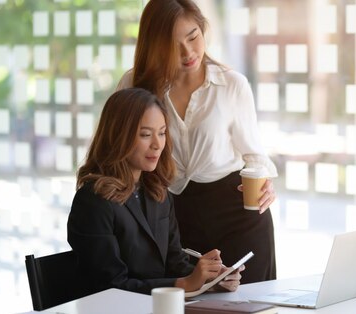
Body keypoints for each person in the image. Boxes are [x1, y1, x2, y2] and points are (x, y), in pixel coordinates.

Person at [117, 0, 278, 283]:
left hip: (236, 214)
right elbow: (118, 152)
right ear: (154, 44)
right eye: (173, 44)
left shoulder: (232, 85)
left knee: (249, 304)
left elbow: (254, 155)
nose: (188, 52)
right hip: (171, 217)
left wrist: (264, 183)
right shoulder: (134, 85)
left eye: (193, 37)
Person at [67, 88, 244, 295]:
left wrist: (210, 279)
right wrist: (186, 284)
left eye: (161, 133)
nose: (157, 144)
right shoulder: (92, 201)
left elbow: (175, 264)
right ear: (118, 136)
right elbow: (110, 287)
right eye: (145, 134)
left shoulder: (157, 192)